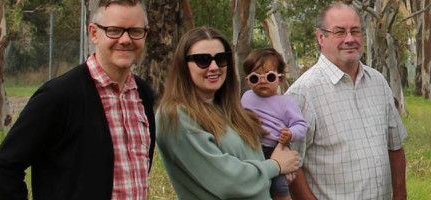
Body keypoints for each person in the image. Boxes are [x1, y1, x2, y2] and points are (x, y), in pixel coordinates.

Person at [0, 1, 157, 199]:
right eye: (114, 30)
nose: (126, 39)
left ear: (145, 34)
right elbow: (3, 168)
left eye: (135, 31)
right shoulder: (58, 96)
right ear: (94, 33)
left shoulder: (143, 94)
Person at [154, 27, 304, 200]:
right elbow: (228, 183)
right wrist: (275, 166)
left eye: (221, 59)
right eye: (202, 60)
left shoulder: (231, 109)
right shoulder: (175, 116)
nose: (214, 67)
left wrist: (281, 168)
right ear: (183, 66)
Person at [284, 2, 409, 199]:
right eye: (340, 32)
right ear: (321, 37)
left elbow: (395, 147)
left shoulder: (377, 82)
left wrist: (400, 196)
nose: (350, 39)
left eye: (355, 31)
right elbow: (291, 164)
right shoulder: (303, 93)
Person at [240, 48, 310, 200]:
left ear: (280, 79)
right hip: (250, 149)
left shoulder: (286, 102)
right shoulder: (246, 97)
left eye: (269, 76)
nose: (262, 81)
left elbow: (301, 125)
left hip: (274, 148)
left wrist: (290, 133)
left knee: (279, 185)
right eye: (255, 78)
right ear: (247, 80)